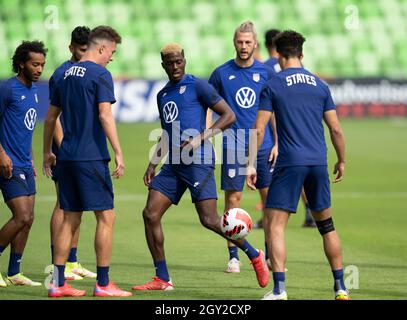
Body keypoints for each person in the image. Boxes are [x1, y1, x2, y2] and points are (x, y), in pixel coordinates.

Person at [131, 43, 269, 291]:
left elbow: (229, 116)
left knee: (209, 219)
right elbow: (166, 132)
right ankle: (162, 278)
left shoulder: (198, 85)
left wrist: (200, 138)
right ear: (163, 64)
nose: (175, 67)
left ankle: (253, 254)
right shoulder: (162, 95)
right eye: (169, 63)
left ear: (184, 59)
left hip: (199, 161)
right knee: (150, 214)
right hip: (173, 164)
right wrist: (153, 163)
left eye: (178, 61)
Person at [247, 30, 349, 300]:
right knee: (326, 225)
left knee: (275, 225)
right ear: (302, 54)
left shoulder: (273, 84)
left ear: (278, 55)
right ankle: (341, 287)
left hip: (290, 162)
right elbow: (336, 129)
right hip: (318, 161)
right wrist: (341, 160)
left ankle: (280, 289)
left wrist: (250, 164)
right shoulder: (320, 85)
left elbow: (259, 130)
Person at [43, 25, 131, 297]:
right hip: (91, 157)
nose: (112, 58)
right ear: (102, 48)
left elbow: (50, 118)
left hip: (66, 156)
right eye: (112, 52)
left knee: (69, 219)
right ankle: (103, 284)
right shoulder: (101, 74)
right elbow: (105, 115)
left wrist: (47, 152)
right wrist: (118, 151)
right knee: (106, 217)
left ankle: (58, 284)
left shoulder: (62, 73)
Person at [208, 21, 277, 274]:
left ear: (255, 44)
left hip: (264, 146)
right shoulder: (221, 73)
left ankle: (270, 255)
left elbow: (275, 111)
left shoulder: (267, 73)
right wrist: (206, 137)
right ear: (234, 42)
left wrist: (278, 143)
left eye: (248, 42)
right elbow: (208, 105)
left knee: (270, 202)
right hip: (234, 145)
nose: (244, 46)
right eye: (240, 42)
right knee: (233, 201)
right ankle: (234, 256)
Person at [44, 26, 96, 281]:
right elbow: (54, 117)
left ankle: (72, 262)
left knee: (77, 206)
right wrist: (64, 147)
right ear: (71, 48)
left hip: (82, 149)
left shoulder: (90, 72)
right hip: (66, 148)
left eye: (89, 49)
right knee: (63, 204)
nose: (85, 54)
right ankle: (58, 262)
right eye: (81, 49)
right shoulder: (61, 74)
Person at [253, 28, 316, 229]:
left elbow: (268, 108)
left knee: (272, 179)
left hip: (275, 133)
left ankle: (268, 217)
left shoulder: (265, 68)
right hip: (300, 130)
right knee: (301, 172)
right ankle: (309, 211)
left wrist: (276, 140)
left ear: (265, 45)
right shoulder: (299, 66)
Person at [0, 41, 47, 287]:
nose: (39, 69)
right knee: (21, 215)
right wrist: (2, 154)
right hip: (7, 163)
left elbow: (24, 127)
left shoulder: (34, 91)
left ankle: (14, 271)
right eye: (34, 64)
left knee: (29, 218)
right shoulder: (7, 88)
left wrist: (30, 157)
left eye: (42, 65)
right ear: (21, 64)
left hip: (24, 163)